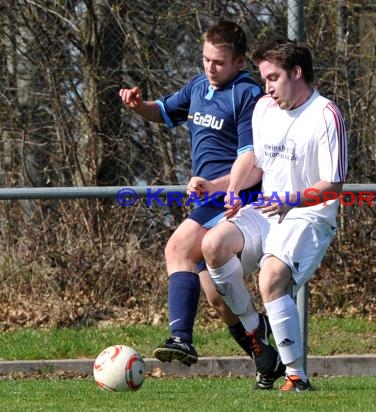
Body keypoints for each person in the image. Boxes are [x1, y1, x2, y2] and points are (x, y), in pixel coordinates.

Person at [119, 21, 284, 389]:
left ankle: (181, 338)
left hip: (233, 199)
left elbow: (252, 164)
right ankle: (265, 357)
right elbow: (162, 111)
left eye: (219, 62)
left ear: (240, 62)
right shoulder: (198, 86)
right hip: (207, 197)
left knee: (176, 247)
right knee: (219, 300)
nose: (211, 68)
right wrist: (138, 106)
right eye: (206, 59)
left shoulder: (247, 95)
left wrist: (215, 185)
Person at [201, 39, 348, 392]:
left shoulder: (326, 114)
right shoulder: (264, 108)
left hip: (309, 217)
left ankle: (296, 376)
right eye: (264, 78)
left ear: (296, 73)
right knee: (213, 245)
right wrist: (231, 189)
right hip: (268, 209)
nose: (266, 87)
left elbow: (333, 185)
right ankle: (256, 329)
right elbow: (256, 163)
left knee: (270, 279)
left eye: (273, 77)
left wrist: (292, 200)